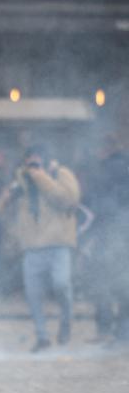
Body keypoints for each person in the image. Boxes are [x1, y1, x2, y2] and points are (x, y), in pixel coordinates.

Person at [0, 145, 81, 351]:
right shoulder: (20, 180)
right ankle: (42, 336)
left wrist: (41, 177)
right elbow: (1, 210)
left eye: (36, 159)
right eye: (29, 160)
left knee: (61, 285)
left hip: (59, 243)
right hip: (32, 245)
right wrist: (7, 198)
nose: (32, 164)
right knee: (33, 294)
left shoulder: (60, 173)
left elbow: (67, 199)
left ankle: (66, 322)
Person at [79, 134, 128, 347]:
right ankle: (119, 331)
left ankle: (115, 331)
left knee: (109, 283)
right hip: (117, 234)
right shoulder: (122, 166)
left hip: (112, 234)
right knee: (119, 284)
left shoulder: (109, 170)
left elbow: (99, 206)